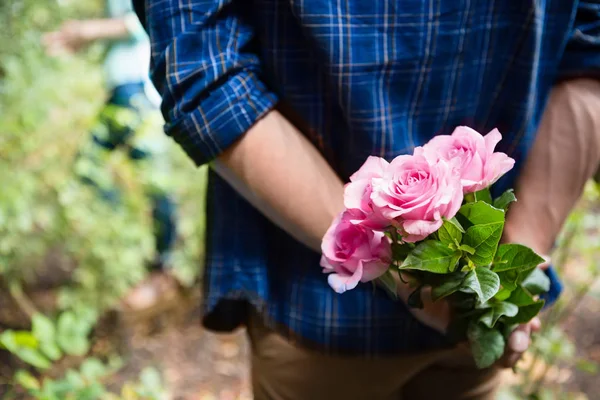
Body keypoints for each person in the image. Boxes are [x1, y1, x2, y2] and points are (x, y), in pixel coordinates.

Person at [142, 1, 600, 399]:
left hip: (427, 313)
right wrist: (491, 267)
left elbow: (202, 69)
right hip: (319, 319)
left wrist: (508, 271)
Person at [43, 0, 179, 311]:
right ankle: (135, 249)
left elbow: (140, 22)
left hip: (138, 91)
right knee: (97, 169)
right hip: (123, 88)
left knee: (152, 183)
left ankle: (160, 269)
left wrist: (85, 31)